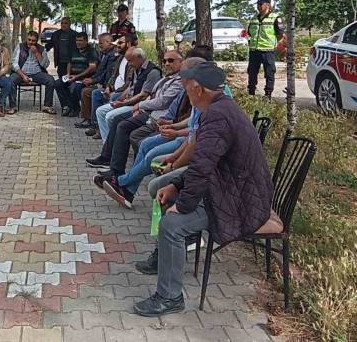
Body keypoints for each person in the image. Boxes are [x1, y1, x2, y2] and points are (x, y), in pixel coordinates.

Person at [133, 61, 274, 316]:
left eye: (186, 88)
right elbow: (203, 164)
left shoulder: (217, 116)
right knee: (168, 201)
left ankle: (169, 297)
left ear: (197, 89)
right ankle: (167, 260)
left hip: (238, 201)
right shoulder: (220, 108)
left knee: (172, 224)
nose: (185, 94)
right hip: (230, 189)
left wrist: (183, 203)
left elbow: (202, 168)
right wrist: (176, 185)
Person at [86, 50, 184, 207]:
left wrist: (137, 105)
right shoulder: (174, 80)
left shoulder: (180, 82)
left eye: (171, 61)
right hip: (157, 117)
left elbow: (162, 102)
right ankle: (120, 179)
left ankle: (120, 180)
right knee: (124, 125)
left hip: (161, 121)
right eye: (165, 60)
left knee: (137, 138)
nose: (167, 64)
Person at [94, 47, 161, 143]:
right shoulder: (136, 68)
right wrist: (120, 100)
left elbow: (143, 95)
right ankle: (107, 143)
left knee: (110, 116)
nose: (129, 64)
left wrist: (123, 103)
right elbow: (130, 87)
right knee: (100, 111)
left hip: (138, 106)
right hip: (128, 102)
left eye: (131, 61)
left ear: (140, 58)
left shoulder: (152, 72)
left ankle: (113, 144)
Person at [85, 33, 138, 137]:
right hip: (113, 89)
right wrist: (109, 87)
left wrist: (115, 91)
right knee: (96, 93)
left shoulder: (133, 59)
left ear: (129, 44)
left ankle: (109, 128)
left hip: (122, 92)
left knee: (113, 96)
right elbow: (113, 75)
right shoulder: (120, 58)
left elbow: (129, 82)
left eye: (120, 43)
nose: (117, 45)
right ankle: (97, 127)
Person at [8, 30, 56, 114]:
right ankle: (12, 106)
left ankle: (47, 106)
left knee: (50, 80)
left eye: (33, 40)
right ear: (27, 39)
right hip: (21, 72)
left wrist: (37, 53)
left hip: (36, 73)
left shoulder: (41, 48)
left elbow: (45, 65)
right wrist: (23, 76)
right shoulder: (20, 47)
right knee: (11, 80)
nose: (30, 42)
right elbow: (14, 64)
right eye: (29, 40)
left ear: (36, 41)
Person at [246, 0, 285, 99]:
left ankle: (268, 95)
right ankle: (251, 93)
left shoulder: (275, 18)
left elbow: (281, 35)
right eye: (257, 4)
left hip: (268, 51)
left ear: (267, 5)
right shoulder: (254, 18)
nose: (258, 6)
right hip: (254, 50)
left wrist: (276, 45)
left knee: (269, 73)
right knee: (252, 72)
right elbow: (250, 32)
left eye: (260, 4)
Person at [75, 33, 117, 128]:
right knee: (80, 87)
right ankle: (86, 117)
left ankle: (93, 122)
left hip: (107, 85)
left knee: (87, 92)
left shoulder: (112, 55)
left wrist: (93, 81)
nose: (99, 45)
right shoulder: (103, 53)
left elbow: (106, 73)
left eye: (101, 43)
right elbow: (99, 71)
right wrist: (91, 79)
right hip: (100, 82)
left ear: (108, 42)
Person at [54, 32, 99, 117]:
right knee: (57, 84)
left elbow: (92, 67)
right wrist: (68, 74)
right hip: (72, 76)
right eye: (77, 40)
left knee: (74, 87)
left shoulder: (91, 51)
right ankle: (69, 106)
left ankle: (75, 108)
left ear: (86, 41)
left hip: (84, 78)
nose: (78, 42)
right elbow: (70, 63)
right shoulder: (73, 50)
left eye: (81, 40)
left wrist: (77, 77)